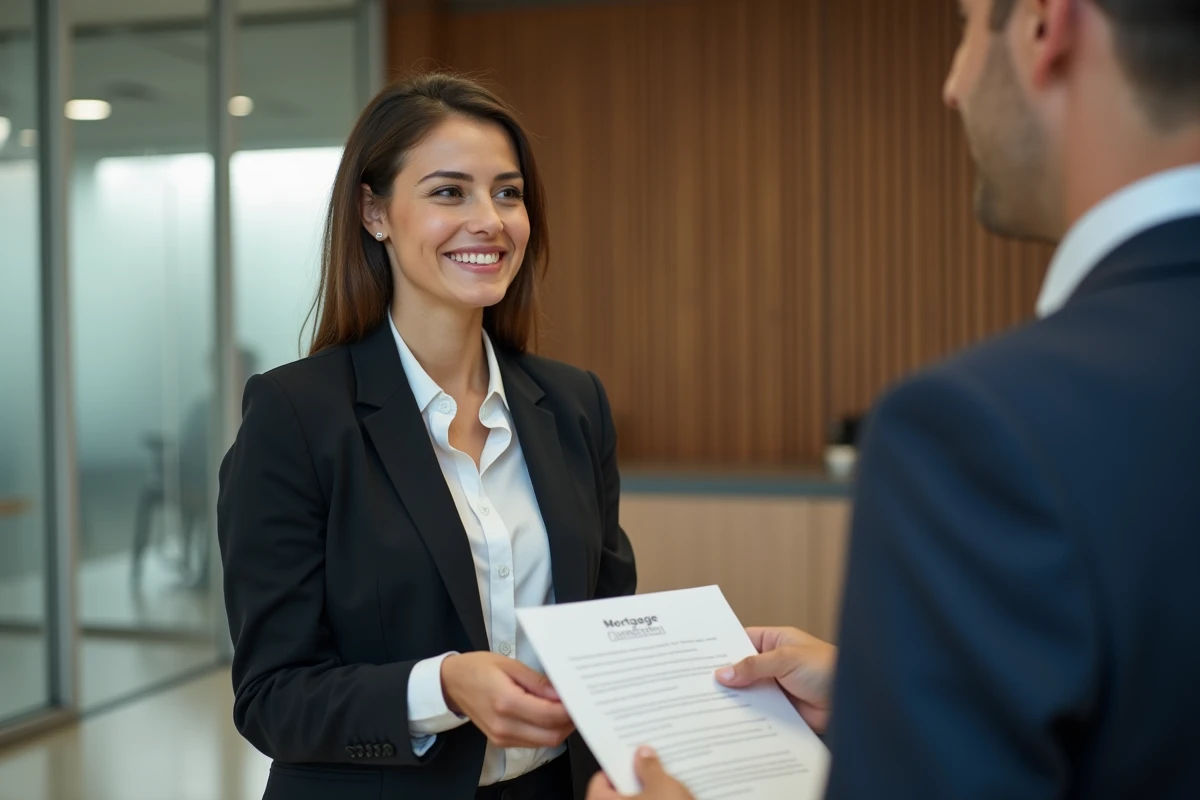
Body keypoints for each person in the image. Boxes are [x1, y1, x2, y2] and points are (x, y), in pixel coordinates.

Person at [588, 0, 1200, 797]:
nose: (951, 87)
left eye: (966, 28)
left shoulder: (978, 427)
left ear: (1045, 27)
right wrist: (891, 701)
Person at [217, 72, 637, 800]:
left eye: (508, 192)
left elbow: (606, 629)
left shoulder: (574, 405)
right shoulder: (295, 415)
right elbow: (272, 697)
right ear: (374, 212)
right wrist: (441, 687)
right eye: (450, 192)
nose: (491, 220)